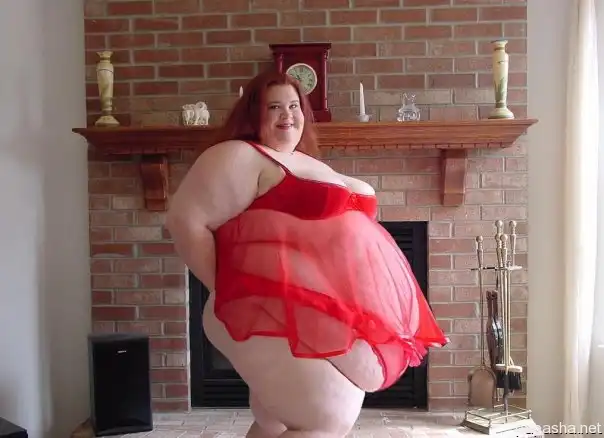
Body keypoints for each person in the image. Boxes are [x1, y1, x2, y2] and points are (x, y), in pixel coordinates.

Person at [166, 68, 449, 438]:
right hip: (266, 308)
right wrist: (228, 291)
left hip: (313, 310)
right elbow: (186, 221)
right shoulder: (239, 154)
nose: (287, 114)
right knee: (325, 420)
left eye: (294, 105)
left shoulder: (309, 162)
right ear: (252, 114)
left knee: (276, 423)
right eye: (273, 107)